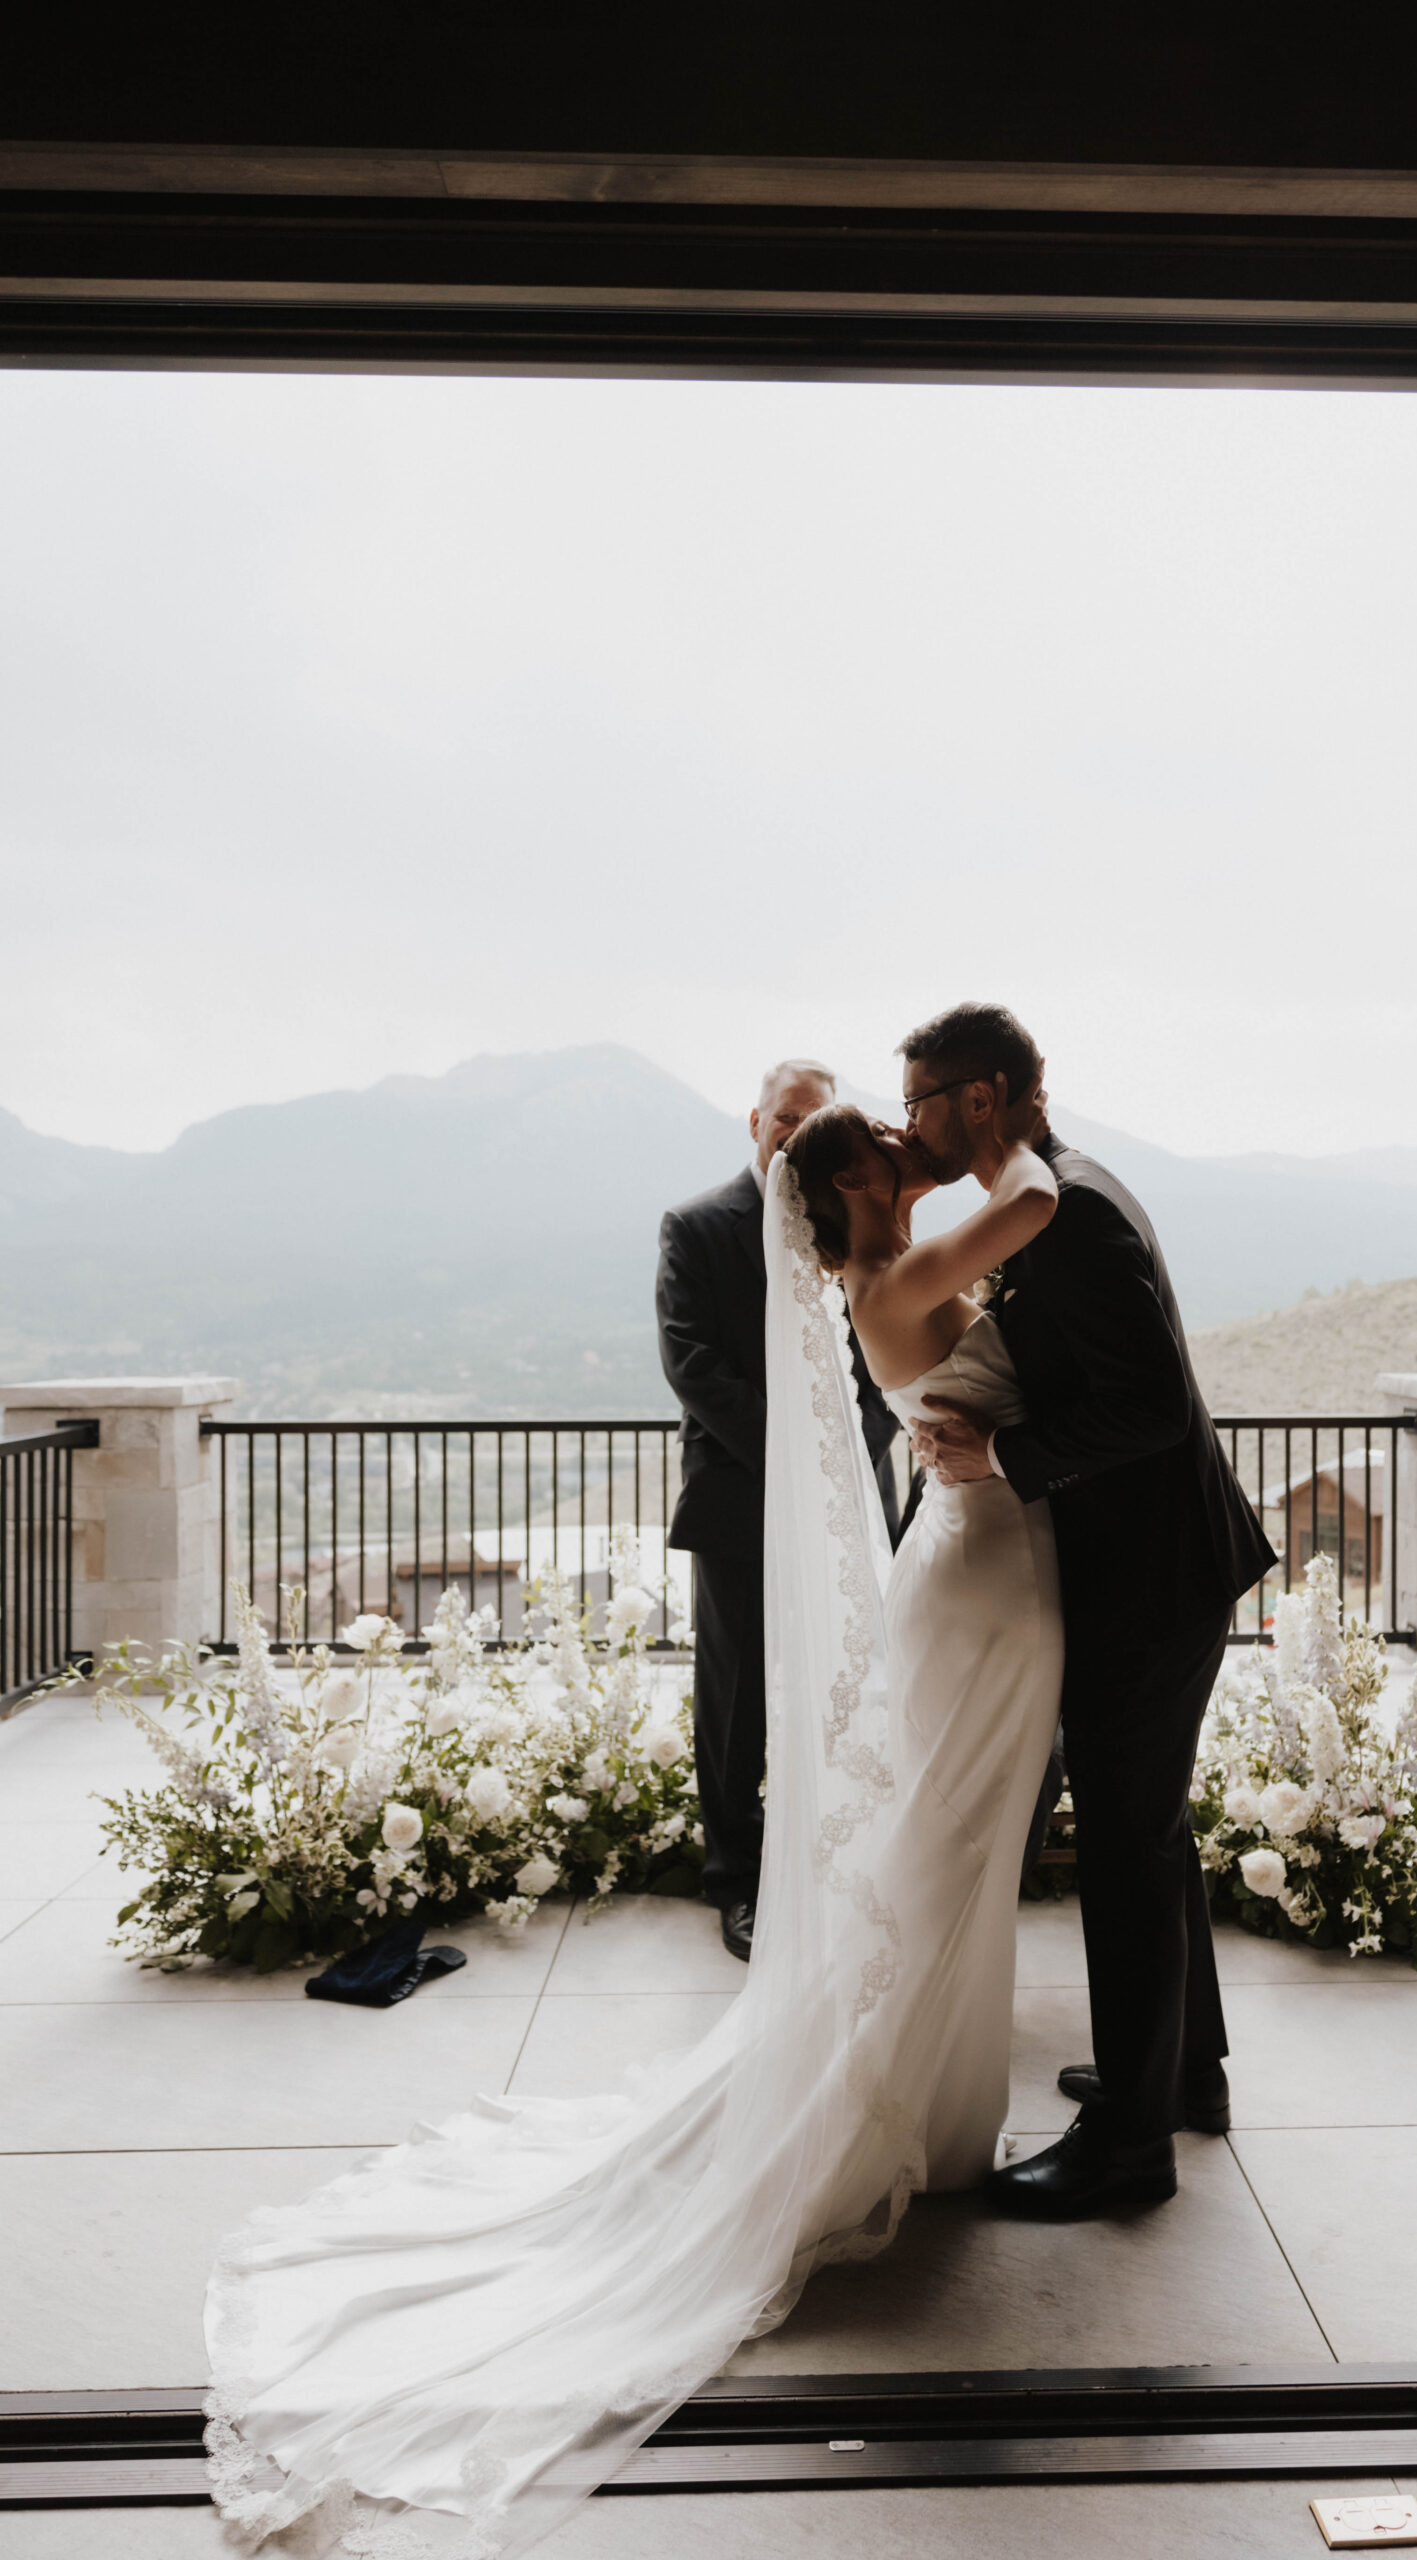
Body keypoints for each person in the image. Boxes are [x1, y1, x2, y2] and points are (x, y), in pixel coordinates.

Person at [204, 1081, 1063, 2560]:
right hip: (969, 1562)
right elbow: (1036, 1198)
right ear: (854, 1190)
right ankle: (915, 2105)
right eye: (884, 1149)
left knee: (941, 1847)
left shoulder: (878, 1268)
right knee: (939, 1842)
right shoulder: (898, 1271)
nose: (906, 1163)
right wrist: (994, 1132)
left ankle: (921, 2091)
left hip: (953, 1555)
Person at [902, 1001, 1277, 2218]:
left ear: (983, 1094)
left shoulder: (1076, 1212)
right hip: (1152, 1566)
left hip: (1153, 1576)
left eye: (922, 1099)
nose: (913, 1122)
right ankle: (1181, 2075)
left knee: (1125, 1842)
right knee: (1147, 1830)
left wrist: (1003, 1457)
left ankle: (1128, 2143)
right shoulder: (1052, 1196)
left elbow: (1156, 1408)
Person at [656, 1058, 903, 1960]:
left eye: (813, 1122)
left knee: (850, 1682)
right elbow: (693, 1366)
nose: (794, 1135)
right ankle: (735, 1881)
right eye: (783, 1119)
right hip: (739, 1499)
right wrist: (796, 1461)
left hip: (849, 1502)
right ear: (753, 1122)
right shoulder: (695, 1226)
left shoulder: (851, 1215)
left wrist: (845, 1457)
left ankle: (837, 1861)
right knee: (735, 1699)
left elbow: (884, 1352)